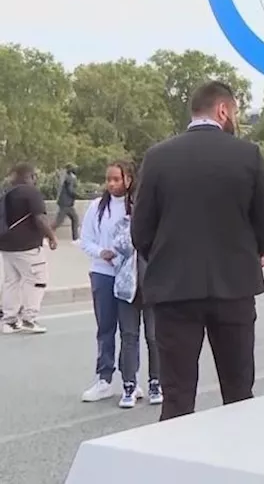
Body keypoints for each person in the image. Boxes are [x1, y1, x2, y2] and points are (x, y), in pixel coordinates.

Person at [131, 81, 264, 421]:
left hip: (174, 289)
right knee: (239, 389)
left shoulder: (157, 157)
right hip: (234, 287)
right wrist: (252, 251)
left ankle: (175, 467)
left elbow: (141, 229)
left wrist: (169, 260)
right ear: (223, 110)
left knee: (178, 395)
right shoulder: (247, 154)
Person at [79, 161, 162, 408]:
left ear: (129, 179)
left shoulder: (138, 206)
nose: (112, 184)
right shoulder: (97, 208)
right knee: (106, 328)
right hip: (104, 273)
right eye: (109, 179)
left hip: (135, 275)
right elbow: (86, 240)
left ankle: (133, 380)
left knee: (133, 332)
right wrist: (100, 252)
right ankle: (104, 378)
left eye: (117, 179)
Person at [1, 163, 58, 334]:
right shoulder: (31, 192)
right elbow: (39, 218)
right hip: (26, 246)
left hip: (6, 244)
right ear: (30, 177)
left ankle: (9, 320)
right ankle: (29, 318)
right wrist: (51, 236)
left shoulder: (6, 193)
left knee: (12, 281)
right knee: (37, 279)